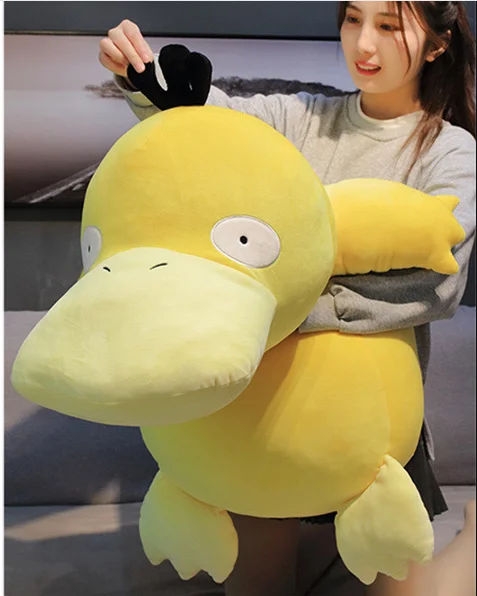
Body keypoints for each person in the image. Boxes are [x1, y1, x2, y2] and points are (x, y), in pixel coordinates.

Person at [98, 2, 476, 595]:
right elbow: (209, 121)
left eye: (388, 25)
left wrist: (288, 310)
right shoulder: (301, 118)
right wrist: (144, 82)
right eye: (353, 19)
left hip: (368, 432)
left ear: (438, 43)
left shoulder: (448, 151)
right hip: (263, 417)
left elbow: (436, 284)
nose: (363, 44)